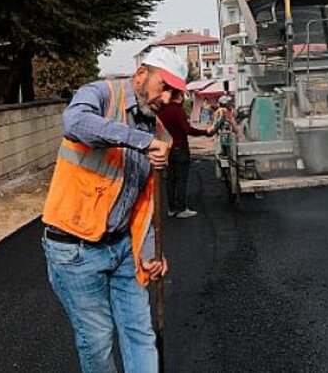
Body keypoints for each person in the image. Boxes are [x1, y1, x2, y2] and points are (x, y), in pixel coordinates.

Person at [41, 48, 186, 373]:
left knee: (140, 333)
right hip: (74, 249)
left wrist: (149, 251)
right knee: (98, 339)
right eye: (164, 86)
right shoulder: (101, 95)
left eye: (176, 93)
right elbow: (74, 122)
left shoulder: (159, 133)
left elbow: (144, 202)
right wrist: (140, 141)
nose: (168, 98)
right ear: (141, 75)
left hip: (122, 249)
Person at [157, 90, 215, 219]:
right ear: (180, 97)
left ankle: (171, 209)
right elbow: (187, 129)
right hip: (181, 148)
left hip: (167, 149)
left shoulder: (162, 111)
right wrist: (206, 132)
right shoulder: (178, 110)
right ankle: (181, 208)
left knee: (170, 180)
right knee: (181, 179)